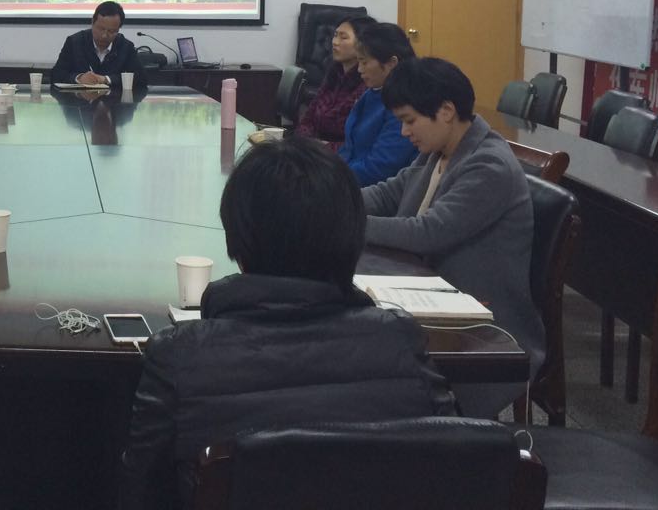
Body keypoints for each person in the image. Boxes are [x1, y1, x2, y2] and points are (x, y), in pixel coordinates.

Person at [120, 136, 454, 509]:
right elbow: (453, 467)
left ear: (238, 245)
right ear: (352, 240)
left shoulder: (179, 357)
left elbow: (140, 493)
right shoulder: (401, 340)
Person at [364, 56, 545, 414]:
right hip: (429, 294)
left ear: (446, 111)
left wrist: (344, 222)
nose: (404, 132)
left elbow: (428, 232)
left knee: (366, 362)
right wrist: (329, 199)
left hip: (482, 329)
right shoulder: (439, 150)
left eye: (409, 121)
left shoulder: (489, 164)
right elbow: (388, 193)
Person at [338, 22, 418, 185]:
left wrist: (331, 177)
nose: (359, 69)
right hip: (350, 178)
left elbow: (380, 168)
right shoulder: (372, 92)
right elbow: (349, 149)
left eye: (364, 62)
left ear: (391, 63)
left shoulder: (404, 102)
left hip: (373, 187)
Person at [295, 15, 375, 147]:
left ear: (363, 44)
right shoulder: (334, 73)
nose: (335, 42)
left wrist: (320, 148)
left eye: (343, 37)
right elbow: (308, 119)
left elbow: (359, 143)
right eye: (335, 35)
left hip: (340, 154)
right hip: (314, 149)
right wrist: (305, 143)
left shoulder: (368, 83)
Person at [51, 1, 146, 89]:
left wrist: (106, 79)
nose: (104, 36)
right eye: (101, 29)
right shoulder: (75, 42)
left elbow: (140, 79)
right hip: (79, 100)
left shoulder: (125, 47)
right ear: (92, 22)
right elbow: (56, 75)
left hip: (114, 100)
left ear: (118, 29)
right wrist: (79, 78)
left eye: (111, 31)